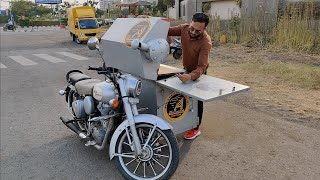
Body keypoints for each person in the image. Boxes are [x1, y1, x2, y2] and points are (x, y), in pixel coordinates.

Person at [167, 12, 212, 140]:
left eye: (197, 31)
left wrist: (191, 76)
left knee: (197, 100)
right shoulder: (184, 28)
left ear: (204, 29)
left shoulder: (205, 42)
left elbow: (202, 66)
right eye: (192, 28)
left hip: (198, 73)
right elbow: (166, 30)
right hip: (185, 70)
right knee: (183, 97)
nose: (193, 32)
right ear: (190, 22)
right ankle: (185, 120)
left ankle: (195, 128)